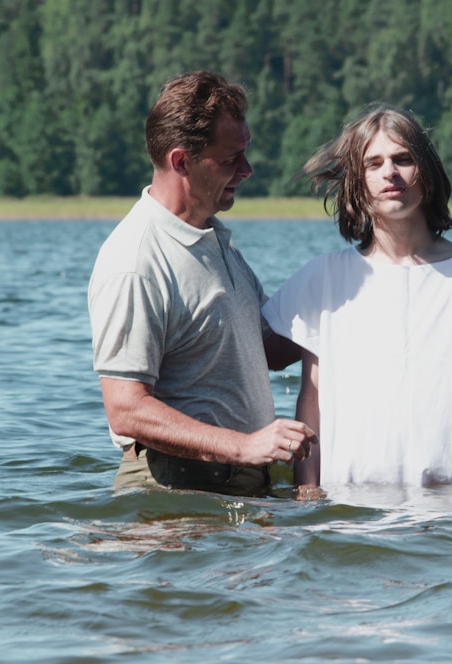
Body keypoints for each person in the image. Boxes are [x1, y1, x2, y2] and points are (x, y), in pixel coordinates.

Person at [262, 104, 452, 495]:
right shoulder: (322, 278)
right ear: (357, 182)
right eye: (374, 163)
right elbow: (310, 402)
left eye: (404, 159)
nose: (390, 173)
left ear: (427, 174)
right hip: (347, 512)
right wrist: (307, 492)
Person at [88, 70, 314, 497]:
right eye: (231, 159)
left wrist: (342, 292)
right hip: (174, 495)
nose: (247, 170)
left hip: (237, 487)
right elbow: (125, 410)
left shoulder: (213, 239)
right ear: (181, 161)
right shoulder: (136, 260)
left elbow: (269, 348)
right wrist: (246, 446)